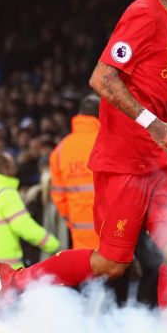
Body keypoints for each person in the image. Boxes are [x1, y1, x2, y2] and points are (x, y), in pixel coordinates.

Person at [0, 0, 167, 309]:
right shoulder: (143, 14)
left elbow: (155, 84)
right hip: (126, 165)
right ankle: (13, 280)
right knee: (110, 264)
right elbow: (103, 77)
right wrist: (153, 123)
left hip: (164, 164)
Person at [0, 153, 60, 298]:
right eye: (12, 165)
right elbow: (25, 227)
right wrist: (53, 244)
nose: (15, 168)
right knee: (7, 319)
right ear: (4, 168)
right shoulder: (6, 194)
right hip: (5, 275)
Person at [49, 95, 100, 250]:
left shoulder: (61, 150)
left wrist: (72, 219)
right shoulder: (108, 142)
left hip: (79, 234)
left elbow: (58, 196)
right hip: (111, 233)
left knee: (85, 271)